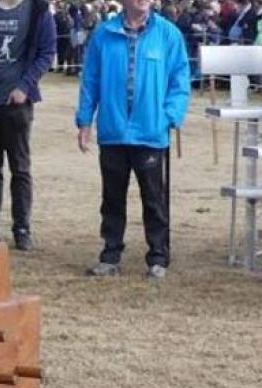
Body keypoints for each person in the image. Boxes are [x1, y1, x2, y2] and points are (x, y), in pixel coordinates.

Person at [76, 0, 190, 279]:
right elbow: (90, 79)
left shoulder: (168, 34)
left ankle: (158, 256)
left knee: (154, 199)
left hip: (151, 133)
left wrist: (170, 116)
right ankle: (111, 254)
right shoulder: (103, 34)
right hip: (113, 132)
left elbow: (180, 79)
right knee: (112, 198)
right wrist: (84, 120)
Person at [0, 0, 56, 250]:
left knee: (20, 167)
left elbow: (47, 53)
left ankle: (22, 229)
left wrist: (24, 86)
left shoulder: (38, 9)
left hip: (17, 103)